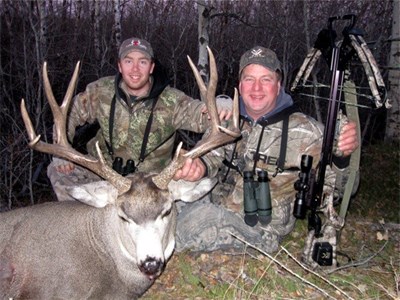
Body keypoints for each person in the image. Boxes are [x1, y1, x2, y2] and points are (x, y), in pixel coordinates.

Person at [174, 46, 359, 254]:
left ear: (278, 85)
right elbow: (210, 157)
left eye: (266, 79)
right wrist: (198, 166)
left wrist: (342, 158)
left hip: (260, 231)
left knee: (191, 224)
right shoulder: (228, 121)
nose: (256, 88)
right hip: (217, 204)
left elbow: (343, 190)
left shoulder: (307, 132)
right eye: (249, 79)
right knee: (162, 207)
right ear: (240, 85)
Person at [48, 37, 232, 197]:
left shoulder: (172, 101)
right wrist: (60, 150)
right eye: (128, 61)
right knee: (58, 172)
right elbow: (68, 114)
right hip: (102, 174)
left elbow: (207, 116)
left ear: (151, 67)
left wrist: (221, 104)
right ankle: (89, 228)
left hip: (152, 184)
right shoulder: (100, 91)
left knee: (193, 186)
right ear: (119, 65)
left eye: (142, 62)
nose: (135, 69)